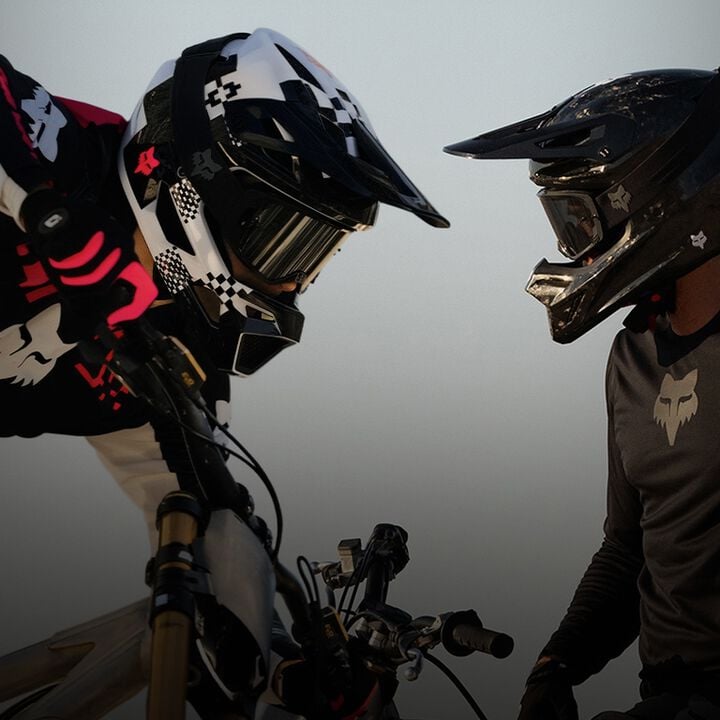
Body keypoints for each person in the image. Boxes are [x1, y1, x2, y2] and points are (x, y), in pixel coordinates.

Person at [0, 27, 448, 717]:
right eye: (280, 237)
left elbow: (215, 526)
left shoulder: (178, 348)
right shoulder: (63, 151)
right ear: (191, 187)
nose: (291, 279)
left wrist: (284, 673)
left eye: (311, 252)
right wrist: (44, 208)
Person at [444, 66, 720, 719]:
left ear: (658, 195)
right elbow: (629, 545)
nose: (573, 250)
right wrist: (557, 664)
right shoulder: (634, 357)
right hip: (665, 694)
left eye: (578, 221)